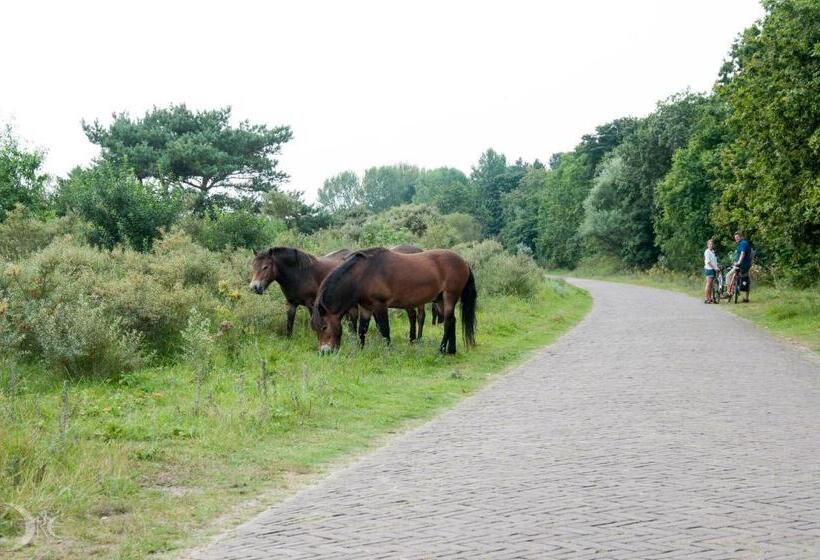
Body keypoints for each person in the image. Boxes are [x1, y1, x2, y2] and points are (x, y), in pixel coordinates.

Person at [725, 230, 752, 302]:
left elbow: (742, 253)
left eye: (737, 237)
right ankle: (746, 298)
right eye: (735, 237)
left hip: (741, 265)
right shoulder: (741, 244)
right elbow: (738, 254)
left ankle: (729, 292)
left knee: (728, 275)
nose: (736, 239)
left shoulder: (743, 243)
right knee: (746, 279)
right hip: (745, 265)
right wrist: (735, 261)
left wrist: (739, 262)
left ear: (741, 237)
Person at [703, 239, 720, 303]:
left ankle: (710, 298)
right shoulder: (707, 252)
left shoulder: (713, 251)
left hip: (713, 269)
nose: (711, 245)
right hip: (709, 269)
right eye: (710, 244)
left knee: (711, 285)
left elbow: (714, 261)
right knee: (708, 284)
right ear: (707, 245)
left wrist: (717, 267)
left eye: (712, 244)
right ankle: (706, 298)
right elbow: (708, 262)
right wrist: (715, 268)